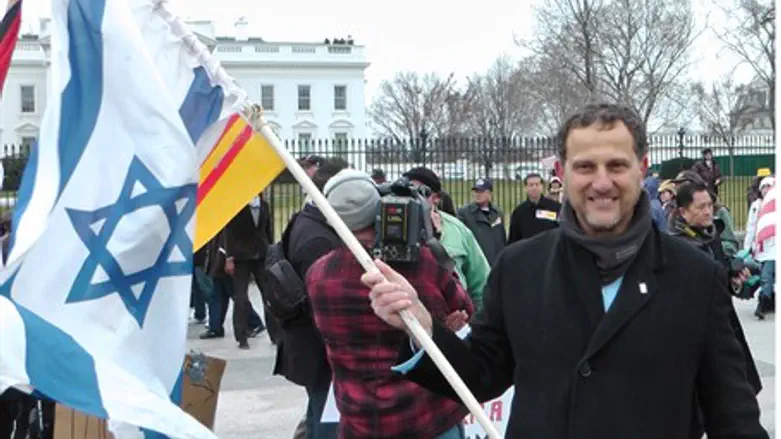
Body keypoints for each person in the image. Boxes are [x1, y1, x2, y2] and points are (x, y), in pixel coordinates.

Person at [364, 103, 767, 438]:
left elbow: (733, 416)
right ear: (562, 171)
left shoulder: (696, 276)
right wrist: (420, 325)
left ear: (643, 168)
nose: (602, 182)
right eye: (586, 166)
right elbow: (481, 373)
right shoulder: (521, 267)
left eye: (617, 165)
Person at [306, 169, 474, 439]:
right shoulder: (422, 263)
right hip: (428, 418)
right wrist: (430, 240)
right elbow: (464, 309)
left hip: (360, 421)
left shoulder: (318, 276)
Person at [273, 158, 349, 439]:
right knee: (325, 418)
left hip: (309, 344)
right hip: (317, 347)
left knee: (317, 413)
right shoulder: (317, 238)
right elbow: (324, 301)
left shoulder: (308, 220)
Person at [404, 167, 490, 310]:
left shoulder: (457, 230)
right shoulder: (388, 227)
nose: (415, 198)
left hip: (453, 317)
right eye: (409, 191)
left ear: (436, 198)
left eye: (422, 192)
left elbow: (481, 284)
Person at [224, 192, 275, 349]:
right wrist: (229, 257)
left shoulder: (264, 206)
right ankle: (241, 336)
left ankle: (275, 333)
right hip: (241, 256)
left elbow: (268, 231)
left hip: (261, 254)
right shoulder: (237, 206)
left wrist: (272, 252)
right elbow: (229, 233)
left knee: (269, 294)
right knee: (240, 296)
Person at [744, 177, 776, 320]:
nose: (766, 189)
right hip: (763, 247)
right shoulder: (757, 205)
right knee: (766, 276)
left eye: (769, 186)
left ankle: (766, 302)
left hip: (774, 247)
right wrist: (747, 246)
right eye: (764, 187)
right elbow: (751, 226)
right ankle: (765, 301)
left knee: (768, 276)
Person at [457, 178, 507, 265]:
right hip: (477, 263)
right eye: (476, 192)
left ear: (490, 193)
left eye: (482, 192)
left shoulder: (497, 212)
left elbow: (502, 238)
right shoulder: (464, 213)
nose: (478, 195)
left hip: (496, 262)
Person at [508, 173, 561, 243]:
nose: (534, 187)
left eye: (537, 184)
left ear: (542, 186)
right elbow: (513, 240)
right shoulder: (518, 212)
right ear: (525, 188)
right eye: (531, 185)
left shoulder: (555, 208)